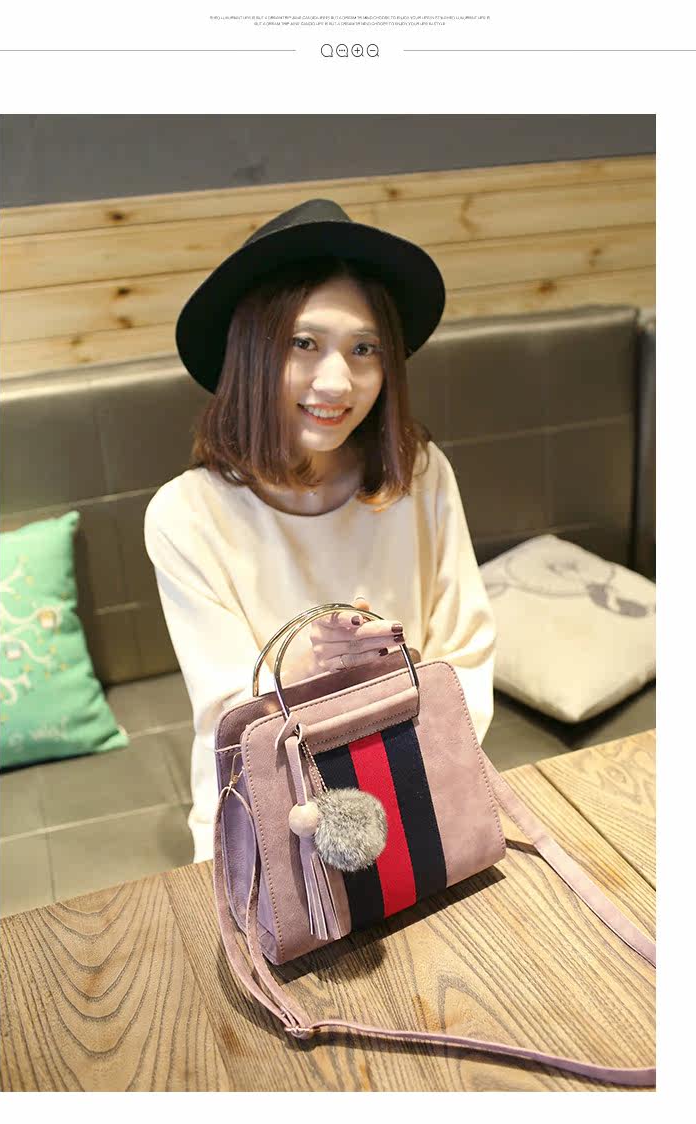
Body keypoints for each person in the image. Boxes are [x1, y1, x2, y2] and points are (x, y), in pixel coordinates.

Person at [144, 198, 496, 863]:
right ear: (251, 352)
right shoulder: (185, 515)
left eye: (364, 349)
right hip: (268, 815)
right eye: (303, 344)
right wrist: (305, 666)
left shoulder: (420, 475)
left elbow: (466, 652)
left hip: (419, 780)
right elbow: (225, 716)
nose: (337, 382)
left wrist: (421, 754)